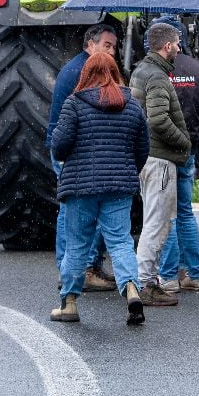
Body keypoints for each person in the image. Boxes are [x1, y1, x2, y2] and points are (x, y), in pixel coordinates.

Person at [49, 53, 148, 326]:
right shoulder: (132, 105)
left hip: (81, 187)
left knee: (78, 243)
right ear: (115, 72)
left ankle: (68, 303)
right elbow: (142, 150)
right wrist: (125, 170)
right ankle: (131, 290)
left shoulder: (74, 104)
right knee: (120, 241)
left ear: (87, 74)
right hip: (119, 186)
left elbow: (59, 146)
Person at [47, 23, 120, 288]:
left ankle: (76, 268)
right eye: (107, 46)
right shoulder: (82, 72)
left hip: (72, 147)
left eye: (114, 47)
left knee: (74, 209)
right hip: (72, 150)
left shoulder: (78, 68)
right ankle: (79, 270)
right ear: (91, 44)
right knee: (75, 211)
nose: (111, 52)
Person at [130, 21, 191, 308]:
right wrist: (183, 141)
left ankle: (146, 280)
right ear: (167, 46)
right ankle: (145, 283)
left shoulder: (142, 71)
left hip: (148, 157)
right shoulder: (156, 76)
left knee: (152, 220)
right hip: (160, 160)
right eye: (177, 43)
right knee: (157, 223)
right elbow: (156, 119)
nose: (179, 48)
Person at [157, 14, 199, 292]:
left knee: (165, 213)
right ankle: (196, 273)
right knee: (185, 211)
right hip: (187, 148)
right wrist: (197, 135)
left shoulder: (154, 69)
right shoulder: (198, 68)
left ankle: (167, 277)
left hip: (161, 151)